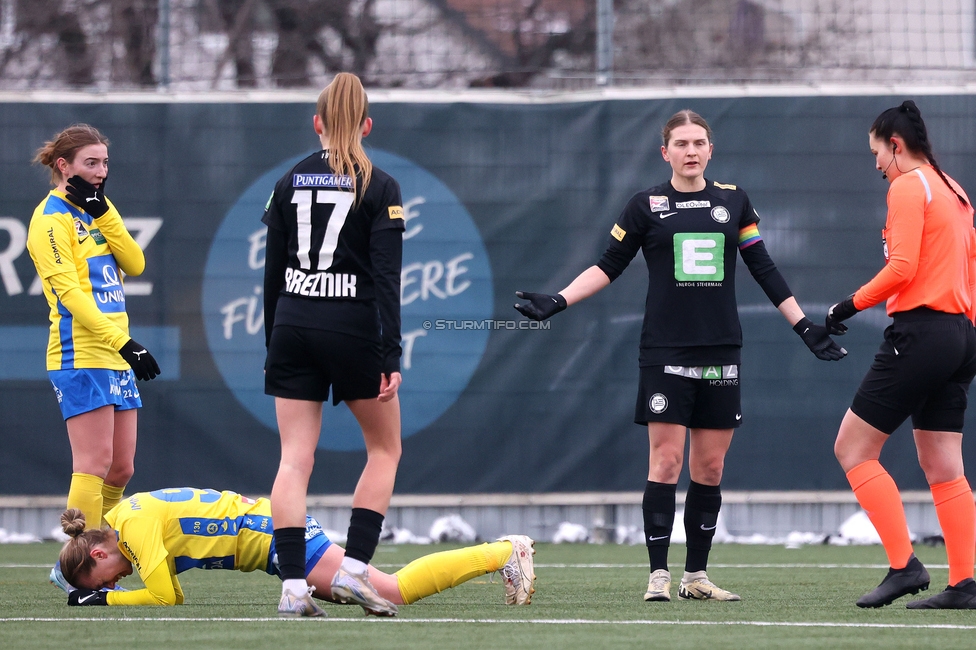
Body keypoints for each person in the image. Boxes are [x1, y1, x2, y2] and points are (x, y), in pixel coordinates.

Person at [514, 109, 845, 603]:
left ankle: (696, 577)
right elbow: (608, 267)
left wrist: (804, 327)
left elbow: (764, 267)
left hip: (721, 351)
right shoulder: (643, 206)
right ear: (664, 152)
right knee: (666, 462)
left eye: (699, 142)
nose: (691, 151)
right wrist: (558, 300)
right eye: (681, 143)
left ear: (711, 149)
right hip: (664, 350)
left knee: (709, 469)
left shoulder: (733, 201)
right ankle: (658, 577)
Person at [262, 73, 405, 617]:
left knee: (294, 459)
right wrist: (390, 353)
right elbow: (387, 280)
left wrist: (275, 338)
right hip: (352, 328)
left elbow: (272, 273)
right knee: (385, 449)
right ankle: (353, 572)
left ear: (316, 123)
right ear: (367, 125)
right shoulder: (382, 186)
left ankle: (294, 588)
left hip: (293, 323)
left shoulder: (287, 180)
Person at [826, 100, 976, 610]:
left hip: (922, 333)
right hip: (961, 335)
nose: (875, 164)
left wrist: (845, 305)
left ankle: (904, 566)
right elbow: (970, 274)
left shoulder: (909, 186)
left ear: (895, 145)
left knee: (852, 449)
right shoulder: (954, 188)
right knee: (944, 467)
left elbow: (902, 269)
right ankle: (965, 583)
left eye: (876, 152)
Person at [27, 124, 160, 592]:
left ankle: (96, 556)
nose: (100, 172)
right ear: (63, 166)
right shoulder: (49, 221)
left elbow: (136, 262)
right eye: (90, 163)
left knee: (122, 467)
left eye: (104, 163)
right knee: (93, 463)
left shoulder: (95, 210)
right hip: (80, 353)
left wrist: (103, 214)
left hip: (114, 352)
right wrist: (123, 342)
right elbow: (71, 297)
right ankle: (73, 570)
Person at [56, 487, 536, 615]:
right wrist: (101, 595)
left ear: (97, 556)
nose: (114, 583)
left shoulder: (132, 528)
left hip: (275, 537)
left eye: (100, 581)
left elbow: (164, 597)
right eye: (104, 589)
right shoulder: (124, 522)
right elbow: (170, 590)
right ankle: (500, 554)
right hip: (272, 537)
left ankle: (502, 554)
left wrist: (101, 601)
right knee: (377, 595)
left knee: (389, 592)